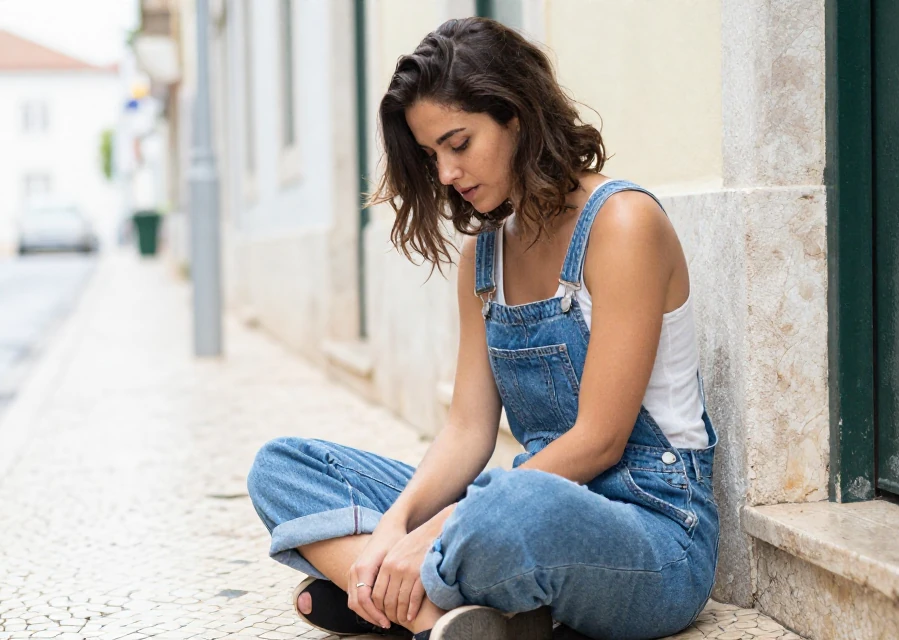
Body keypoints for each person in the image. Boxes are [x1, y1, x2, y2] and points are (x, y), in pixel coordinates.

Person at [247, 16, 720, 640]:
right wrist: (399, 524)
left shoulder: (624, 224)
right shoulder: (486, 256)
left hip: (653, 533)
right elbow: (468, 431)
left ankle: (380, 593)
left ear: (516, 117)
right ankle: (443, 617)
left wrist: (437, 531)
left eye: (458, 143)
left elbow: (601, 441)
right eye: (430, 154)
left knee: (506, 507)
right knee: (280, 469)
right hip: (519, 502)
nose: (445, 173)